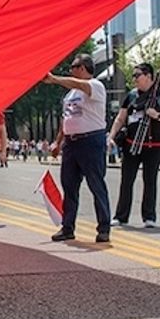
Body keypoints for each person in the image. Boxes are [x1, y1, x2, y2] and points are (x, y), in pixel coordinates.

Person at [46, 54, 112, 243]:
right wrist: (58, 142)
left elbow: (81, 85)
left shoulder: (95, 86)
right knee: (69, 186)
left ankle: (104, 227)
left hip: (91, 141)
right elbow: (65, 118)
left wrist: (55, 79)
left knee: (96, 184)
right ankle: (68, 227)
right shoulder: (70, 95)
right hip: (71, 143)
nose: (71, 70)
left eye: (73, 67)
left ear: (83, 68)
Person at [108, 62, 160, 229]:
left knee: (150, 180)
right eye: (133, 75)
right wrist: (111, 136)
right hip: (132, 144)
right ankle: (121, 216)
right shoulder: (132, 96)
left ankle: (149, 216)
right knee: (127, 180)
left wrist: (157, 115)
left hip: (154, 145)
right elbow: (121, 118)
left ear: (149, 77)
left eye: (137, 75)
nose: (134, 79)